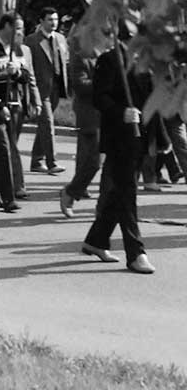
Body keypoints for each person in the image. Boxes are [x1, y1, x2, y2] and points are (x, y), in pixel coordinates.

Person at [81, 20, 155, 274]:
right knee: (127, 194)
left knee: (119, 193)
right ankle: (136, 253)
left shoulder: (145, 62)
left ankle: (96, 240)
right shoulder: (110, 60)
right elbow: (99, 98)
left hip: (140, 137)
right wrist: (121, 111)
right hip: (119, 139)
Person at [0, 13, 39, 212]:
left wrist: (16, 71)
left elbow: (25, 76)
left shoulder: (16, 49)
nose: (20, 32)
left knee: (2, 151)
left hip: (15, 107)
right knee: (4, 150)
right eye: (18, 27)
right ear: (5, 26)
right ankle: (8, 198)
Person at [60, 28, 101, 217]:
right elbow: (79, 85)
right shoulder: (80, 57)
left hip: (110, 114)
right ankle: (71, 191)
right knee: (93, 161)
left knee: (117, 162)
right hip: (90, 115)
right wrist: (104, 83)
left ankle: (107, 204)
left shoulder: (109, 55)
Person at [28, 7, 70, 175]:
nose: (54, 23)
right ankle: (51, 162)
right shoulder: (31, 41)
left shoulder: (60, 38)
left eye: (55, 20)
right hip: (40, 89)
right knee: (47, 123)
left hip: (56, 88)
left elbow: (65, 61)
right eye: (50, 20)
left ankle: (37, 160)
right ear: (41, 21)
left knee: (44, 125)